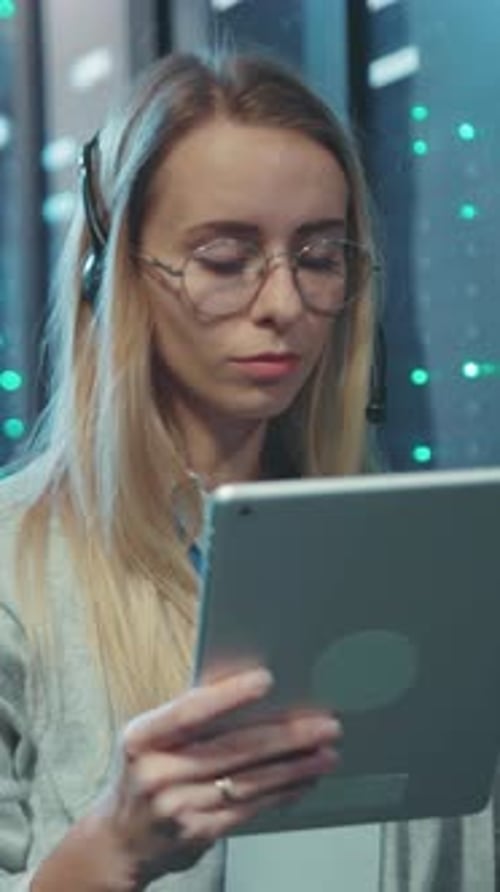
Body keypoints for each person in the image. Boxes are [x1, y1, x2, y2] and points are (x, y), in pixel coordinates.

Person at [0, 49, 492, 892]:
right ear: (114, 278)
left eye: (320, 256)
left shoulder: (413, 558)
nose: (284, 304)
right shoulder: (17, 567)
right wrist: (110, 851)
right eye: (225, 261)